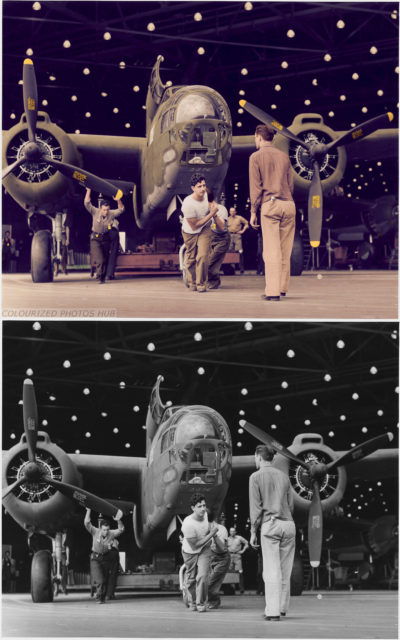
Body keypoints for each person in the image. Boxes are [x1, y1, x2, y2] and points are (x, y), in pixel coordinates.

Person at [248, 123, 296, 301]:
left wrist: (253, 211)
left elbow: (256, 188)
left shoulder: (255, 157)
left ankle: (273, 292)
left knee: (271, 251)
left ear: (259, 137)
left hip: (270, 205)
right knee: (285, 249)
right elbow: (291, 185)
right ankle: (282, 288)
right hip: (289, 205)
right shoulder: (284, 157)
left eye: (255, 138)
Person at [249, 444, 296, 622]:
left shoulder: (255, 477)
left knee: (271, 570)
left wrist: (253, 531)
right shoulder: (284, 477)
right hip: (288, 524)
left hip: (271, 524)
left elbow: (256, 508)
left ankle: (273, 611)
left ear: (259, 457)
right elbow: (291, 505)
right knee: (285, 569)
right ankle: (282, 608)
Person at [180, 493, 219, 612]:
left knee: (202, 576)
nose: (203, 508)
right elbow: (195, 544)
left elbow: (210, 526)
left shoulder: (206, 514)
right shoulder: (188, 524)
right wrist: (212, 534)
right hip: (190, 551)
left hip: (204, 549)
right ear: (193, 508)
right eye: (199, 506)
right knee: (191, 579)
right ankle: (191, 601)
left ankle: (201, 603)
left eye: (204, 505)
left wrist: (212, 529)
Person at [181, 173, 219, 292]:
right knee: (191, 258)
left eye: (204, 185)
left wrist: (213, 207)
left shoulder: (207, 194)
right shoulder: (188, 204)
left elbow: (212, 203)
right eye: (199, 186)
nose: (203, 188)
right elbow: (194, 226)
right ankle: (192, 282)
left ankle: (201, 283)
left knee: (202, 256)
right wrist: (212, 214)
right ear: (193, 188)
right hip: (190, 231)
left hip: (205, 228)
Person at [84, 508, 124, 604]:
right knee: (100, 580)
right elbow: (87, 523)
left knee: (105, 579)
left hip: (106, 558)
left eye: (107, 530)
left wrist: (118, 519)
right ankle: (99, 597)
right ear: (100, 528)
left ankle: (102, 597)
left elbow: (121, 529)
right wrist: (88, 511)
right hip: (95, 558)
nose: (105, 532)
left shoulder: (111, 534)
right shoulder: (95, 531)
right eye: (104, 530)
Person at [84, 188, 124, 284]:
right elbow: (87, 203)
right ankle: (100, 276)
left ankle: (102, 277)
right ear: (100, 208)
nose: (105, 212)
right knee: (100, 259)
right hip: (95, 239)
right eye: (104, 210)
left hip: (106, 238)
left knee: (105, 259)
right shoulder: (95, 211)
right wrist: (88, 191)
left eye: (107, 210)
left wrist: (118, 199)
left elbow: (121, 209)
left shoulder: (111, 214)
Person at [206, 188, 230, 289]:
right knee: (205, 261)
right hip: (210, 237)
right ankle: (211, 280)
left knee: (211, 262)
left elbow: (222, 227)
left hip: (222, 239)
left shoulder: (221, 209)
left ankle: (215, 281)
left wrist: (214, 213)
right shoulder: (204, 211)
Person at [207, 513, 231, 609]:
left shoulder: (221, 529)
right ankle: (211, 600)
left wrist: (213, 534)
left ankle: (214, 601)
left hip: (222, 558)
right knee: (206, 581)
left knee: (211, 582)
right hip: (211, 556)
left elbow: (222, 549)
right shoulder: (202, 528)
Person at [227, 526, 249, 594]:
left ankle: (241, 588)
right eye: (231, 531)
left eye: (233, 531)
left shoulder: (239, 538)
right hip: (230, 556)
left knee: (239, 572)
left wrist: (243, 550)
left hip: (237, 556)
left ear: (235, 532)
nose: (232, 532)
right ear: (229, 532)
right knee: (230, 572)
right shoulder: (227, 539)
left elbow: (246, 543)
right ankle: (231, 589)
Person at [227, 207, 248, 274]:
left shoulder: (239, 218)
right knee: (230, 252)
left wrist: (243, 231)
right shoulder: (227, 219)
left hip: (237, 235)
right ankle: (232, 269)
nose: (232, 212)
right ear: (229, 212)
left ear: (235, 212)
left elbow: (246, 223)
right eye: (231, 211)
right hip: (230, 236)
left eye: (233, 211)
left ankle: (241, 268)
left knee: (239, 251)